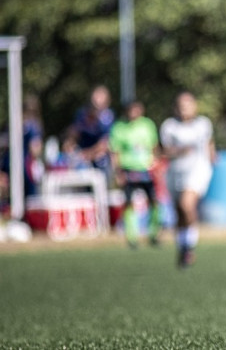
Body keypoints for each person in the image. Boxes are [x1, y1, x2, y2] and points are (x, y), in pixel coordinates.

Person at [160, 92, 215, 269]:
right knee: (180, 214)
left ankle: (190, 246)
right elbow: (165, 150)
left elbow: (209, 144)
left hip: (197, 169)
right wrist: (179, 151)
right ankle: (183, 246)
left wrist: (213, 157)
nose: (185, 109)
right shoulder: (169, 126)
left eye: (188, 105)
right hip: (176, 172)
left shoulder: (203, 124)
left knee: (187, 205)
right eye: (181, 106)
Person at [109, 101, 161, 248]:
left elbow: (154, 146)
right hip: (128, 169)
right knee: (129, 203)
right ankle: (132, 237)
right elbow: (115, 152)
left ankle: (154, 233)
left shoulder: (147, 125)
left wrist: (157, 164)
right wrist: (118, 172)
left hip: (146, 170)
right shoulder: (119, 128)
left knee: (154, 201)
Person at [67, 85, 115, 178]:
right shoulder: (82, 114)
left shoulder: (107, 117)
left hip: (99, 159)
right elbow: (73, 134)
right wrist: (70, 146)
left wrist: (88, 154)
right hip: (81, 157)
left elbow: (104, 144)